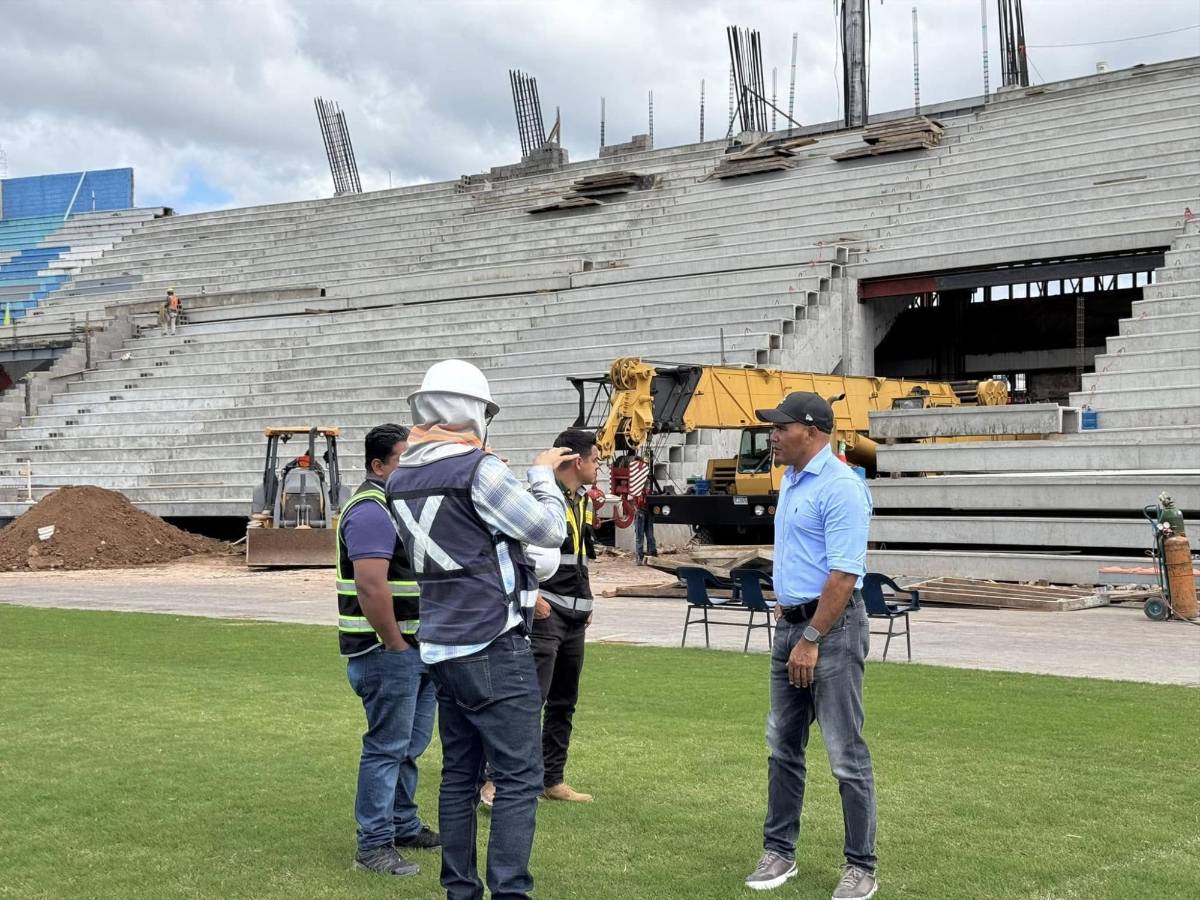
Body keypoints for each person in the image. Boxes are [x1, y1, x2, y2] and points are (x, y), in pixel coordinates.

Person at [386, 359, 575, 900]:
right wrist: (540, 475)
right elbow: (547, 529)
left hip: (442, 642)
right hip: (493, 639)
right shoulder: (477, 468)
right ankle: (510, 892)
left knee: (458, 777)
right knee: (518, 778)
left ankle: (460, 891)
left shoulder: (402, 476)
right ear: (475, 411)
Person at [744, 392, 878, 900]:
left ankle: (861, 865)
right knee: (782, 746)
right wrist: (789, 612)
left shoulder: (841, 485)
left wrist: (811, 637)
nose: (773, 435)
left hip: (830, 633)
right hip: (794, 629)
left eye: (780, 427)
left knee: (845, 752)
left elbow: (845, 574)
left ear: (810, 429)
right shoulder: (792, 479)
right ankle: (779, 850)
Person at [336, 423, 438, 878]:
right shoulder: (372, 509)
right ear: (379, 466)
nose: (413, 468)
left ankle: (402, 824)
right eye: (404, 459)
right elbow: (370, 584)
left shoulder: (397, 507)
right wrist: (396, 644)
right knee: (386, 748)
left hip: (412, 651)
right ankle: (374, 845)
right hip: (387, 653)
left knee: (408, 746)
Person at [480, 428, 600, 808]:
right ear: (577, 461)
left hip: (576, 615)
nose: (599, 466)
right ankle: (496, 781)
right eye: (596, 459)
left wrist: (586, 600)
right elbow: (515, 557)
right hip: (546, 615)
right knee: (528, 701)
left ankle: (552, 779)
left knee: (564, 702)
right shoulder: (539, 499)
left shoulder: (584, 501)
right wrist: (533, 601)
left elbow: (578, 558)